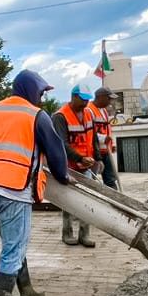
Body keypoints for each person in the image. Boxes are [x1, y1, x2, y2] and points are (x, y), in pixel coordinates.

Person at [0, 70, 72, 296]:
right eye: (41, 92)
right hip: (15, 189)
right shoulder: (35, 115)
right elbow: (55, 152)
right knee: (13, 249)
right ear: (31, 89)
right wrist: (63, 177)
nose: (42, 98)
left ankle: (27, 291)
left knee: (14, 244)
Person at [53, 84, 99, 247]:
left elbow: (93, 139)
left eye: (88, 100)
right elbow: (62, 144)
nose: (86, 103)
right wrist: (80, 158)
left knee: (87, 201)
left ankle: (84, 234)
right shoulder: (60, 116)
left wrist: (97, 159)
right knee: (69, 201)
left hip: (87, 165)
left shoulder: (89, 114)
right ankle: (67, 233)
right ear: (74, 97)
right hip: (69, 166)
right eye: (83, 100)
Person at [89, 87, 119, 190]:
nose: (110, 101)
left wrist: (112, 144)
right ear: (100, 97)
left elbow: (108, 129)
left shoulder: (104, 111)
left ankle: (115, 199)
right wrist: (103, 138)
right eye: (108, 98)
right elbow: (89, 133)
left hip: (106, 150)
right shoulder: (89, 110)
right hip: (95, 152)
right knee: (92, 179)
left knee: (110, 179)